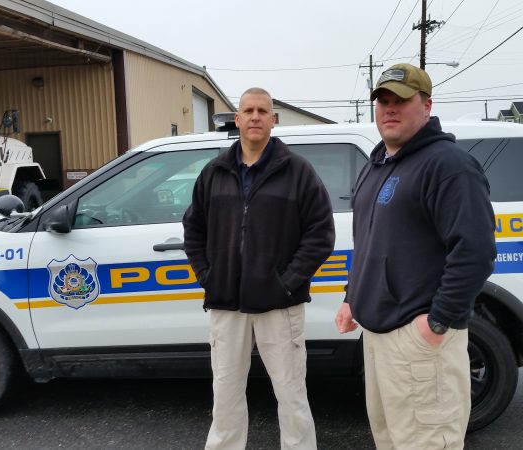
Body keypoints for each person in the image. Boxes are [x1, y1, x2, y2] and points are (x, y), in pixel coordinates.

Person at [335, 63, 496, 449]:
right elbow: (371, 242)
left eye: (401, 101)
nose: (390, 109)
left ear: (426, 106)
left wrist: (438, 322)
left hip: (418, 338)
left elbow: (475, 252)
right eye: (383, 101)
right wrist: (351, 296)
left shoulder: (448, 165)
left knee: (427, 442)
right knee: (391, 439)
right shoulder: (378, 165)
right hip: (377, 335)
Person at [183, 87, 335, 450]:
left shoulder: (297, 171)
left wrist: (286, 283)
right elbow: (194, 228)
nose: (255, 116)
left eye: (262, 111)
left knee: (291, 395)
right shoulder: (215, 171)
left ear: (272, 120)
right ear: (237, 120)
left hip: (279, 306)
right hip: (226, 305)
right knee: (225, 396)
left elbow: (320, 234)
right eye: (248, 110)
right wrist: (209, 277)